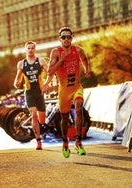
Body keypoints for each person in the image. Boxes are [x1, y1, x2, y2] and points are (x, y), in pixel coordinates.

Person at [42, 27, 91, 158]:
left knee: (79, 108)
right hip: (64, 90)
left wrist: (87, 69)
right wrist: (62, 60)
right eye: (63, 37)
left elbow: (84, 59)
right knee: (64, 117)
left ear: (72, 38)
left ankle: (78, 141)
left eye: (68, 37)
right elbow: (50, 71)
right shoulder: (56, 52)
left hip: (76, 87)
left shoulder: (78, 50)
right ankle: (65, 142)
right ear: (59, 39)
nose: (66, 39)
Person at [13, 41, 48, 150]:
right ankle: (38, 141)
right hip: (29, 92)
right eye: (28, 48)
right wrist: (16, 83)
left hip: (40, 92)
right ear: (26, 50)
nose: (31, 50)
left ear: (35, 49)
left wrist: (46, 84)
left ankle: (40, 128)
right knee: (33, 115)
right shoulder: (21, 64)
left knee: (42, 120)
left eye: (32, 48)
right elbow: (17, 79)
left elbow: (50, 73)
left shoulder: (41, 61)